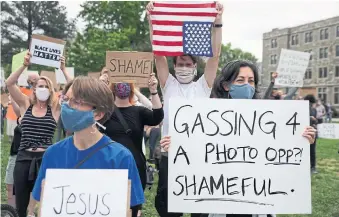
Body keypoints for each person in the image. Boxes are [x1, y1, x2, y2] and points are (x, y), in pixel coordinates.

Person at [161, 60, 316, 217]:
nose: (247, 86)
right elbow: (197, 150)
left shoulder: (269, 118)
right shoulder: (209, 116)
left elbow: (282, 154)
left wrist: (302, 141)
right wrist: (177, 145)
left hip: (257, 198)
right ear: (226, 85)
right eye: (240, 80)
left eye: (251, 81)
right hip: (218, 199)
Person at [146, 2, 224, 216]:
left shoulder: (203, 86)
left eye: (188, 64)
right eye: (180, 63)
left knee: (199, 210)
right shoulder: (168, 85)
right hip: (171, 156)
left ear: (195, 67)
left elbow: (214, 57)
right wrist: (153, 20)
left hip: (199, 156)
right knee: (170, 210)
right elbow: (158, 55)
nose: (184, 67)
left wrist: (217, 22)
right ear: (174, 67)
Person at [32, 76, 145, 217]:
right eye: (66, 100)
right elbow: (41, 203)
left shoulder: (120, 157)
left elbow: (134, 209)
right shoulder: (52, 154)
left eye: (77, 102)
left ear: (98, 113)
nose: (67, 106)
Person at [5, 51, 71, 217]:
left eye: (45, 86)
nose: (42, 89)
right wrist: (24, 66)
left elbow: (75, 88)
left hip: (45, 160)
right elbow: (10, 82)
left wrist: (63, 69)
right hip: (23, 158)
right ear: (34, 89)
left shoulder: (55, 108)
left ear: (51, 90)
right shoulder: (25, 104)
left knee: (46, 205)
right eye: (39, 86)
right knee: (21, 203)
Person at [103, 74, 164, 191]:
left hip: (134, 165)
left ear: (131, 88)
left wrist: (154, 91)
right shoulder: (105, 113)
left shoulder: (139, 111)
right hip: (110, 165)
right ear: (112, 87)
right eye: (119, 83)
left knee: (134, 206)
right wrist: (100, 87)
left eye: (125, 83)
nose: (122, 86)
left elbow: (158, 116)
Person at [304, 94, 319, 174]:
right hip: (309, 131)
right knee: (312, 151)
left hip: (308, 131)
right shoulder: (313, 109)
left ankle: (312, 167)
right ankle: (312, 167)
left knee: (311, 150)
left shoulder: (312, 109)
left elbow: (315, 120)